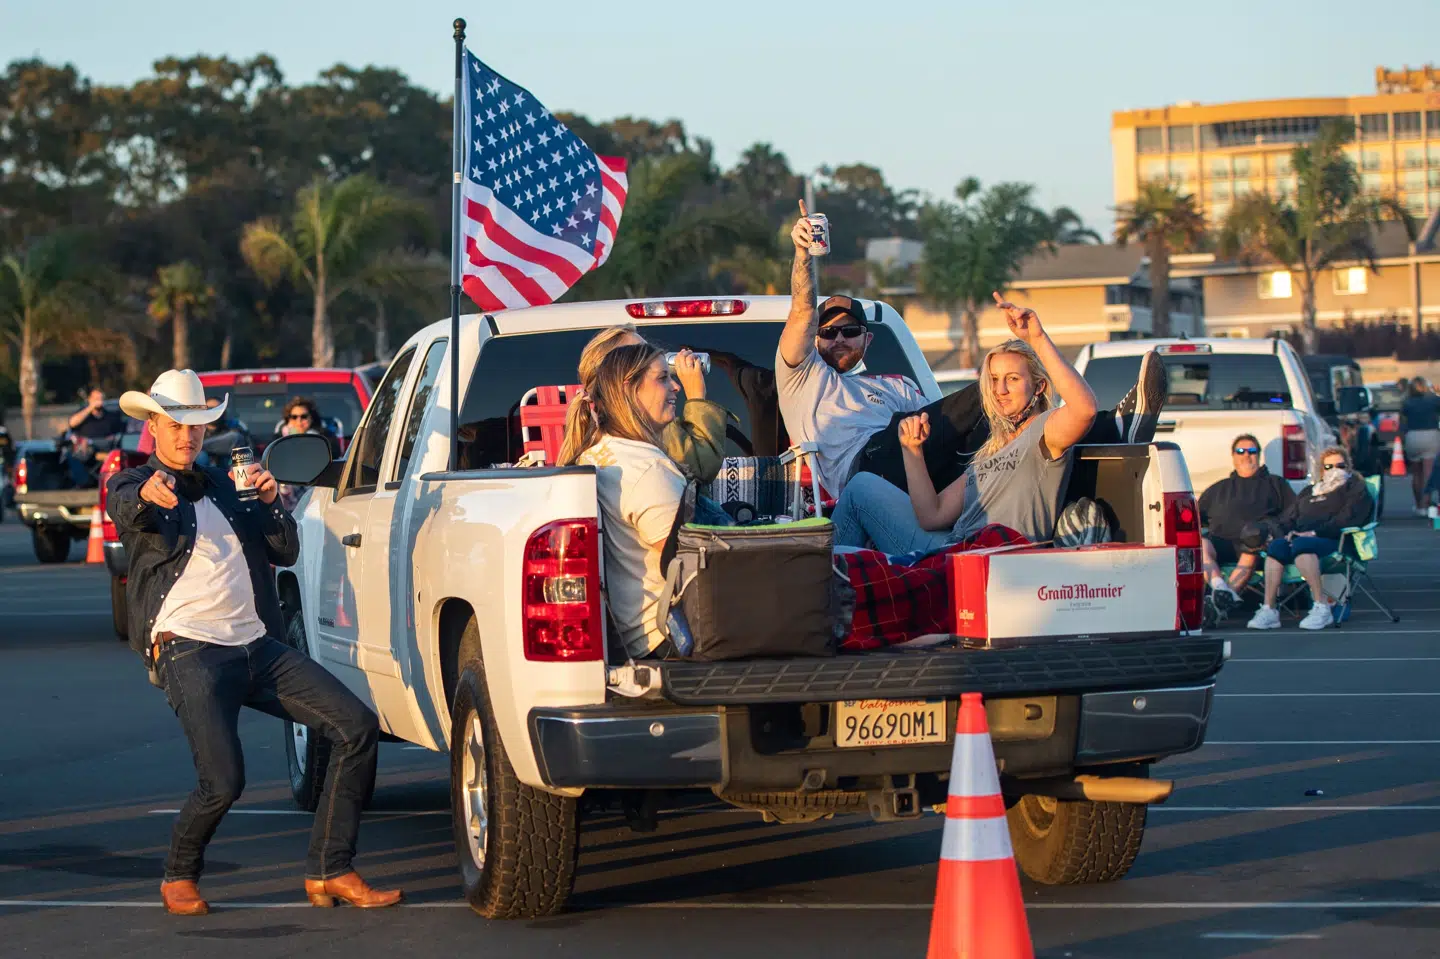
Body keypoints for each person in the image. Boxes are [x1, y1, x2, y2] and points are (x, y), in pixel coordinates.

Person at [107, 369, 400, 916]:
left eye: (195, 426)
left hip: (256, 646)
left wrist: (268, 501)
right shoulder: (132, 483)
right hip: (189, 649)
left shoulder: (225, 482)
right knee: (223, 780)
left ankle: (330, 869)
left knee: (356, 728)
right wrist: (148, 495)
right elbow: (124, 506)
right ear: (153, 426)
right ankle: (179, 874)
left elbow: (285, 551)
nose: (185, 437)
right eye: (174, 425)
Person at [776, 202, 1166, 500]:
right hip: (868, 474)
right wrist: (803, 255)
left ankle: (1101, 447)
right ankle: (1109, 424)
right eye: (828, 332)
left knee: (1012, 423)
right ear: (815, 338)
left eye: (849, 330)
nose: (838, 338)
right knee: (989, 392)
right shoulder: (803, 378)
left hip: (927, 471)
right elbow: (803, 310)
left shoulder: (896, 385)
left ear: (867, 339)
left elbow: (946, 428)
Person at [830, 301, 1098, 552]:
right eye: (993, 379)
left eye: (1013, 379)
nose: (1000, 390)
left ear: (1039, 386)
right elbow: (932, 515)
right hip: (954, 548)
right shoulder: (992, 445)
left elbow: (1084, 410)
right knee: (861, 487)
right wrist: (912, 450)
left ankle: (823, 590)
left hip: (991, 558)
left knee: (858, 491)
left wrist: (1038, 339)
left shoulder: (1044, 433)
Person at [557, 343, 685, 658]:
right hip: (671, 636)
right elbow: (689, 565)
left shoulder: (600, 451)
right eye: (663, 378)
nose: (676, 386)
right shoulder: (646, 469)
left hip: (639, 636)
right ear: (629, 389)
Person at [557, 325, 730, 483]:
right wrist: (696, 396)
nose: (649, 355)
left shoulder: (598, 428)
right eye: (639, 353)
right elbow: (700, 470)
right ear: (619, 371)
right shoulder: (641, 430)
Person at [1246, 445, 1374, 631]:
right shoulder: (1310, 492)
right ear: (1322, 470)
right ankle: (1269, 609)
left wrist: (1315, 533)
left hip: (1337, 541)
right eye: (1329, 467)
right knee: (1277, 548)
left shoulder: (1355, 489)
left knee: (1303, 546)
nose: (1335, 471)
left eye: (1340, 465)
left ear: (1348, 466)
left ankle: (1321, 606)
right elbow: (1289, 518)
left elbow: (1347, 518)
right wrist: (1285, 533)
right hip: (1301, 539)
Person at [1198, 433, 1296, 612]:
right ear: (1233, 456)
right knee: (1200, 545)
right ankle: (1220, 588)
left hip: (1255, 544)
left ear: (1258, 454)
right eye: (1240, 451)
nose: (1246, 455)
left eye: (1251, 450)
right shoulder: (1219, 488)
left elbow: (1293, 513)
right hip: (1220, 542)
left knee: (1251, 546)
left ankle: (1218, 607)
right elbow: (1197, 516)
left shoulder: (1276, 484)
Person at [64, 387, 125, 486]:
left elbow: (119, 433)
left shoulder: (110, 416)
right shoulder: (83, 414)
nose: (99, 401)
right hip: (84, 448)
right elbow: (72, 423)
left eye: (100, 399)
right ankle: (84, 483)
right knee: (70, 452)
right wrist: (90, 408)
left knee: (87, 443)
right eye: (96, 399)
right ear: (89, 400)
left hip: (104, 446)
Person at [1399, 376, 1440, 514]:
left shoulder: (1407, 402)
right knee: (1428, 472)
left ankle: (1419, 506)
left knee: (1416, 474)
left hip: (1412, 436)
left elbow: (1402, 421)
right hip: (1430, 435)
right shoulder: (1433, 400)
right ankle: (1427, 504)